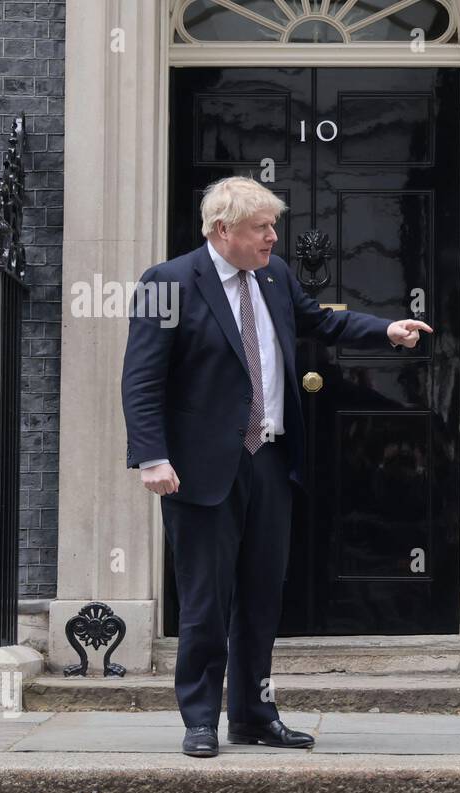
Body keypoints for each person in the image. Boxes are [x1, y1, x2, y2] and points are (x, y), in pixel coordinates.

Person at [121, 176, 431, 758]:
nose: (273, 236)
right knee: (206, 601)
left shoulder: (274, 275)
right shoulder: (168, 282)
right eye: (262, 227)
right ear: (223, 230)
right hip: (200, 469)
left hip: (269, 460)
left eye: (272, 226)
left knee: (262, 599)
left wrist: (386, 329)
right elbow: (141, 378)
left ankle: (255, 716)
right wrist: (151, 457)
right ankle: (199, 720)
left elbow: (321, 321)